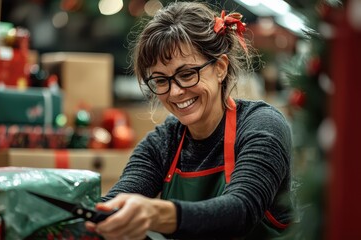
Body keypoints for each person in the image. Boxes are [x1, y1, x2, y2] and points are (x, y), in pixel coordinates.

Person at [86, 1, 294, 239]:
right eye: (161, 81)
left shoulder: (262, 126)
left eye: (186, 74)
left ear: (220, 68)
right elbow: (118, 199)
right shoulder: (163, 143)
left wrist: (157, 214)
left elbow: (241, 210)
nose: (175, 92)